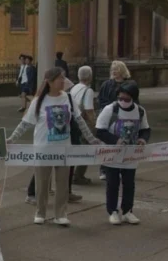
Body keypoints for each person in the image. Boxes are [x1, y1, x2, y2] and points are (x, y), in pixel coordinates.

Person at [7, 68, 100, 226]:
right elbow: (25, 123)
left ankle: (60, 214)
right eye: (59, 79)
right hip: (43, 149)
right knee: (42, 183)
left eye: (63, 79)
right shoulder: (38, 101)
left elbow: (80, 121)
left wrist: (91, 139)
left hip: (64, 149)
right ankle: (40, 212)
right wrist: (12, 138)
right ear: (49, 82)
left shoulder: (69, 98)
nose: (63, 81)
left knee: (63, 183)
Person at [95, 82, 149, 225]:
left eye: (126, 99)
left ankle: (127, 211)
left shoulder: (140, 111)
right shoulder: (110, 109)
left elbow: (145, 129)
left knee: (129, 183)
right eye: (120, 98)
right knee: (112, 182)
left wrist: (143, 139)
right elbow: (100, 130)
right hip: (112, 153)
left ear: (133, 98)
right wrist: (115, 140)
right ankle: (112, 211)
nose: (123, 102)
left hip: (131, 154)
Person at [97, 61, 134, 180]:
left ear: (122, 70)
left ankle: (122, 166)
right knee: (108, 142)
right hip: (110, 116)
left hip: (125, 117)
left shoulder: (129, 84)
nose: (113, 71)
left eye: (116, 69)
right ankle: (104, 168)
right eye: (112, 68)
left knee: (124, 140)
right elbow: (101, 100)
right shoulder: (107, 84)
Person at [69, 66, 96, 185]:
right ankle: (79, 175)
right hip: (83, 123)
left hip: (73, 122)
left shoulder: (74, 88)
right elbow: (89, 110)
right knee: (86, 149)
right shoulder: (88, 91)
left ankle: (74, 174)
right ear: (90, 76)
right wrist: (94, 125)